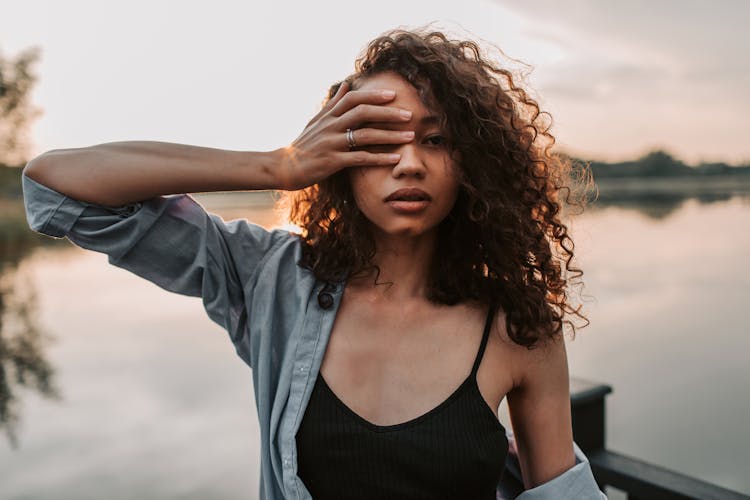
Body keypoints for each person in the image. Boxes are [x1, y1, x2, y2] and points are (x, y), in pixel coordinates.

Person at [23, 28, 605, 500]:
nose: (408, 164)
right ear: (337, 162)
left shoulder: (519, 327)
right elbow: (57, 189)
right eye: (377, 140)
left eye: (436, 140)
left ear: (474, 164)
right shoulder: (270, 278)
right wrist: (274, 167)